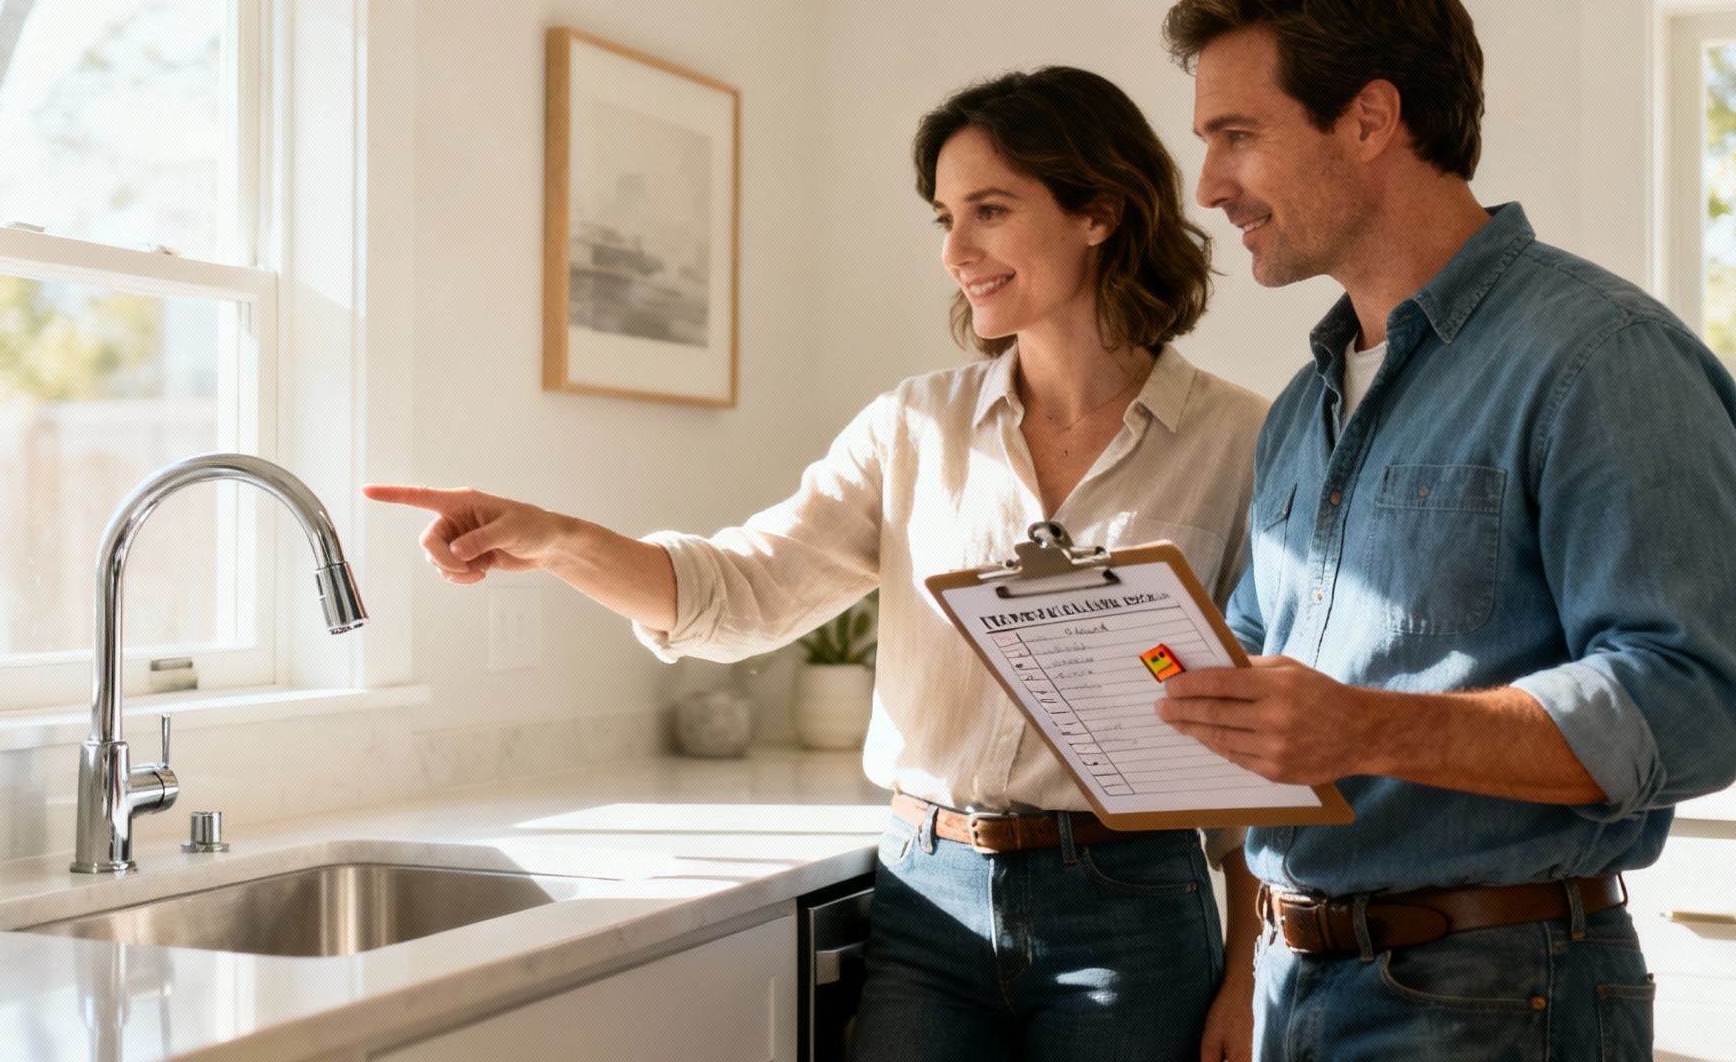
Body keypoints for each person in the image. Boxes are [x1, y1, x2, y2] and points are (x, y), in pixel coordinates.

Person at [367, 66, 1270, 1061]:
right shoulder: (913, 427)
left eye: (988, 211)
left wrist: (1249, 974)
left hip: (1133, 908)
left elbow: (1271, 723)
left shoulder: (1241, 441)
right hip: (930, 901)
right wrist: (555, 538)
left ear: (1096, 211)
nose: (954, 253)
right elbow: (741, 594)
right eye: (943, 217)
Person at [1149, 0, 1736, 1062]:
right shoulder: (1299, 408)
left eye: (1236, 134)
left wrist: (1362, 726)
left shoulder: (1602, 358)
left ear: (1371, 118)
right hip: (1295, 986)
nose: (1208, 186)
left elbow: (1689, 706)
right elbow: (1255, 678)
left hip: (1490, 1000)